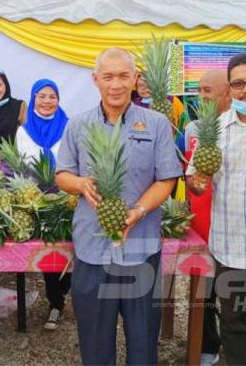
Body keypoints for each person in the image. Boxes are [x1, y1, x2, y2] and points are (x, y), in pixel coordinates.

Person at [55, 47, 182, 365]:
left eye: (124, 76)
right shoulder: (77, 125)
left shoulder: (156, 124)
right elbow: (62, 174)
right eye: (108, 76)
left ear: (135, 79)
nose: (116, 84)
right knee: (95, 345)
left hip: (141, 248)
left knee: (143, 343)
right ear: (95, 79)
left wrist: (138, 211)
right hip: (92, 249)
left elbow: (167, 179)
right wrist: (81, 184)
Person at [186, 53, 246, 365]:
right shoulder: (215, 129)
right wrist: (199, 182)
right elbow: (195, 181)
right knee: (234, 318)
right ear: (230, 88)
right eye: (239, 83)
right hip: (230, 240)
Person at [183, 69, 230, 366]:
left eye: (207, 90)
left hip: (235, 225)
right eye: (199, 90)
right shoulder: (193, 129)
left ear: (227, 93)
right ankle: (207, 345)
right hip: (201, 223)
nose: (201, 96)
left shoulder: (242, 128)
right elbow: (188, 173)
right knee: (205, 292)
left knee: (241, 292)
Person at [15, 78, 71, 330]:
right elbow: (19, 166)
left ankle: (65, 289)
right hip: (38, 200)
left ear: (58, 99)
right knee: (49, 252)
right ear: (33, 98)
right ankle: (56, 303)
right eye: (41, 96)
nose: (47, 101)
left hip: (67, 198)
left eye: (52, 96)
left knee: (69, 249)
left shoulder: (70, 127)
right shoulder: (23, 130)